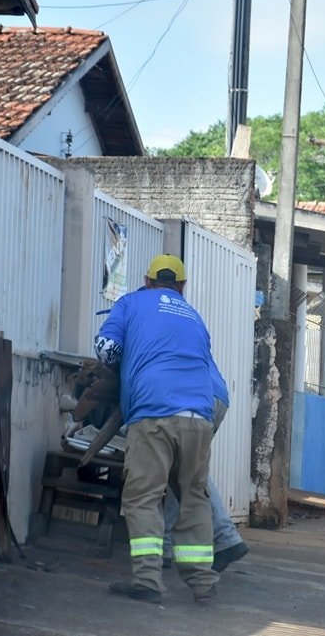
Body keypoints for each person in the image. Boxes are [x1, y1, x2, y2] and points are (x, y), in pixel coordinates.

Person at [95, 254, 220, 603]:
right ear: (182, 286)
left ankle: (148, 580)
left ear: (148, 280)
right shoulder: (195, 317)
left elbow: (105, 350)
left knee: (144, 498)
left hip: (152, 412)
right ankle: (203, 584)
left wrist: (130, 364)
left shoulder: (131, 302)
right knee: (194, 499)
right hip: (199, 415)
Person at [162, 361, 249, 573]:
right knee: (185, 469)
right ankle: (165, 547)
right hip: (216, 396)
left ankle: (226, 537)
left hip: (191, 398)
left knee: (187, 469)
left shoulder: (139, 334)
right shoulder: (187, 328)